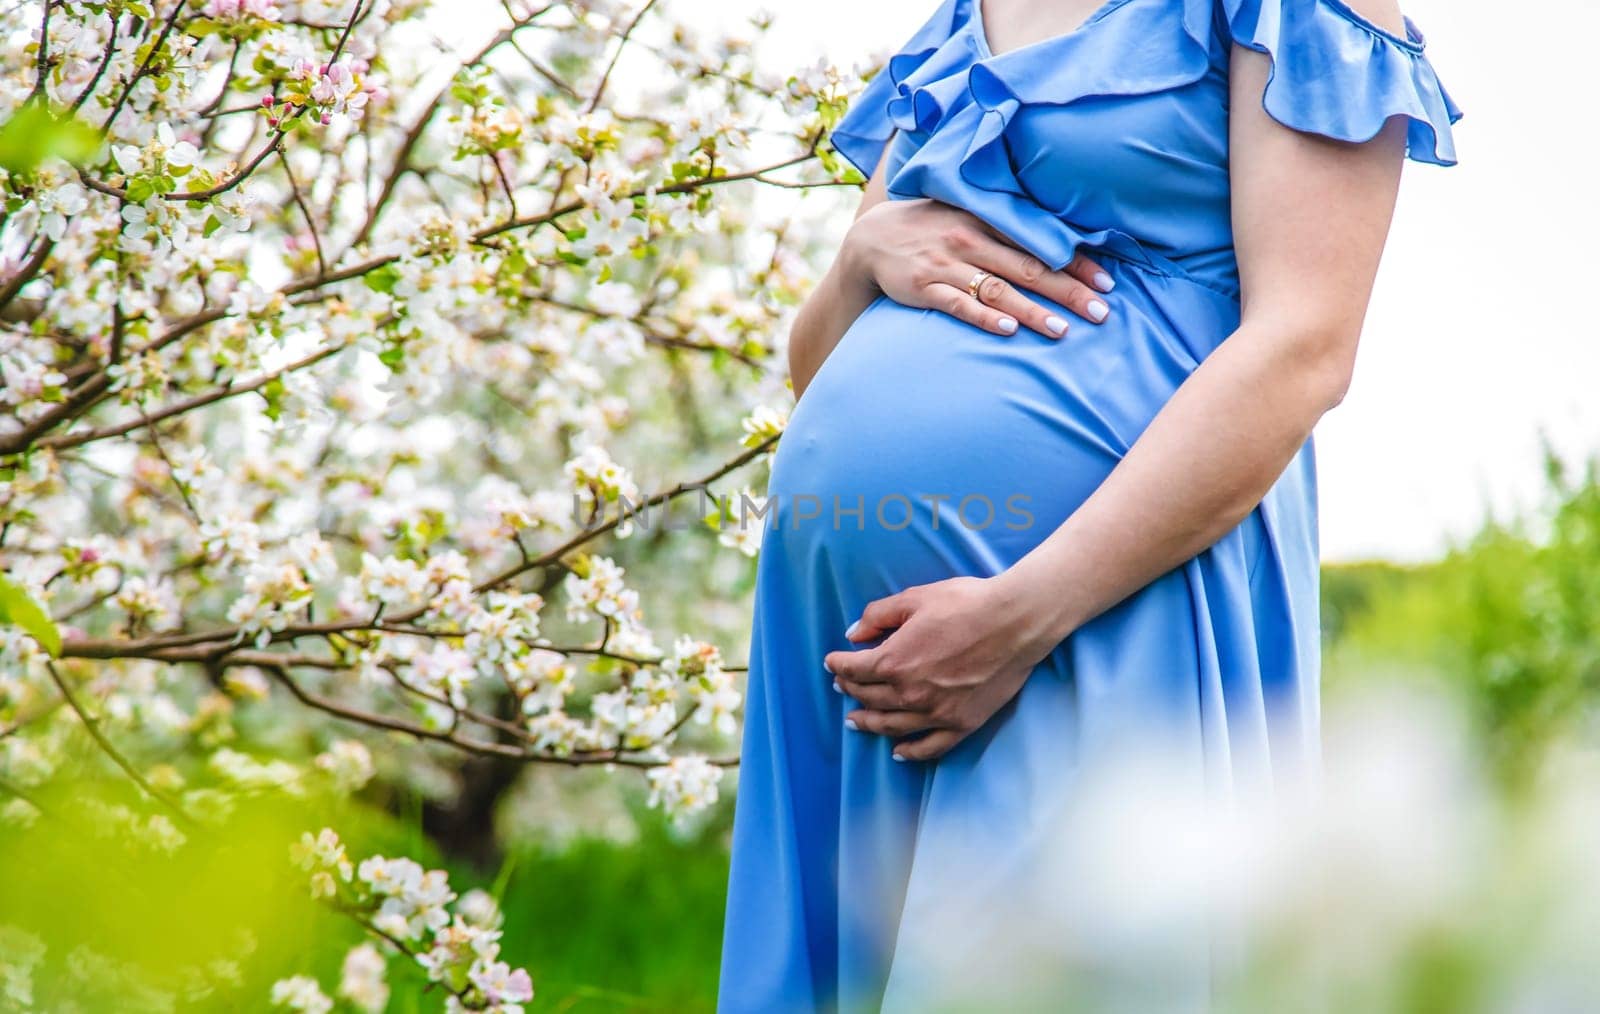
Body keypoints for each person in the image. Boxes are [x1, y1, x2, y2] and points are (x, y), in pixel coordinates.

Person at [718, 0, 1462, 1009]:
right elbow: (818, 371)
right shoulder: (960, 23)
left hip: (1091, 611)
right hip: (856, 663)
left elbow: (1303, 350)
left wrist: (1019, 618)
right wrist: (861, 257)